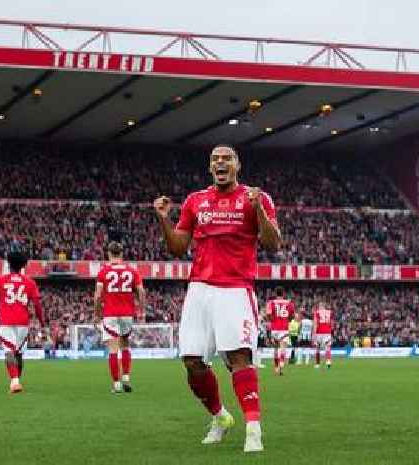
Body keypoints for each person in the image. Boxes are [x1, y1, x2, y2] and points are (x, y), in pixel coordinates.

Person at [153, 144, 280, 453]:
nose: (220, 162)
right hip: (199, 289)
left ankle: (253, 429)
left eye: (227, 158)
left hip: (235, 288)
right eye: (215, 159)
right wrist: (163, 219)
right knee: (192, 362)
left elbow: (273, 244)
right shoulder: (196, 201)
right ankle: (220, 417)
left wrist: (259, 210)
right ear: (210, 167)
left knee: (239, 358)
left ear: (238, 165)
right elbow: (178, 248)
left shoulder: (256, 198)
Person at [0, 251, 47, 393]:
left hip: (7, 321)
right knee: (18, 353)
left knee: (9, 352)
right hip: (23, 322)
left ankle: (15, 381)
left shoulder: (0, 280)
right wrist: (42, 321)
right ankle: (16, 380)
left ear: (9, 263)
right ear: (23, 265)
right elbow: (37, 304)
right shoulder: (30, 282)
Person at [94, 241, 146, 393]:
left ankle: (117, 384)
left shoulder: (103, 272)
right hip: (127, 314)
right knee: (125, 345)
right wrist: (142, 311)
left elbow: (97, 296)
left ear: (109, 253)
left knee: (112, 349)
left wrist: (97, 314)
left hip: (110, 314)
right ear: (122, 253)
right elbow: (141, 292)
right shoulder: (132, 271)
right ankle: (126, 378)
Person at [265, 286, 295, 376]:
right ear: (283, 294)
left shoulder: (271, 303)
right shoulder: (289, 303)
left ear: (275, 293)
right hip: (284, 328)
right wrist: (288, 320)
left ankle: (276, 367)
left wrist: (272, 320)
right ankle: (281, 365)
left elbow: (268, 314)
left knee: (275, 349)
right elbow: (292, 316)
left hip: (274, 329)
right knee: (283, 349)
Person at [312, 301, 333, 369]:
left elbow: (315, 324)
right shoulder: (330, 312)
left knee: (317, 348)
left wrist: (314, 334)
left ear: (320, 306)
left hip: (319, 332)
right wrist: (330, 330)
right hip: (327, 332)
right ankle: (328, 361)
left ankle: (318, 364)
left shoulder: (317, 312)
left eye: (319, 306)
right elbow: (332, 323)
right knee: (328, 347)